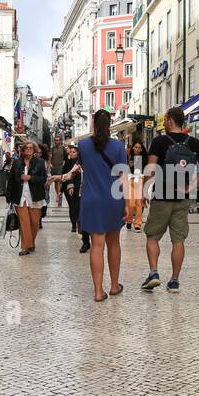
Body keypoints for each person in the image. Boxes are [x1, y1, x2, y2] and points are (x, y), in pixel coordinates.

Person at [141, 106, 199, 294]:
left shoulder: (159, 141)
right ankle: (174, 281)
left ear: (170, 121)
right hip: (183, 197)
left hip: (162, 195)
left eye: (165, 120)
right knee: (178, 240)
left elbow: (151, 168)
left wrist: (144, 191)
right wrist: (191, 187)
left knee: (152, 236)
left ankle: (154, 274)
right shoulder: (193, 142)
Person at [76, 108, 126, 301]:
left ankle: (98, 291)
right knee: (113, 243)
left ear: (93, 124)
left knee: (97, 245)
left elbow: (82, 167)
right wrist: (128, 203)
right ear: (110, 125)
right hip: (113, 199)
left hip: (91, 199)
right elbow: (123, 177)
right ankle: (114, 285)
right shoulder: (119, 147)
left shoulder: (82, 145)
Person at [5, 141, 48, 255]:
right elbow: (11, 180)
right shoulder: (17, 163)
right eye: (26, 148)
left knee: (34, 223)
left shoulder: (40, 162)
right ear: (23, 150)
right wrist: (8, 196)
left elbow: (43, 179)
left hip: (35, 197)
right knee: (24, 222)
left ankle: (31, 243)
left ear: (34, 150)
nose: (28, 149)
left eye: (30, 148)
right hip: (20, 197)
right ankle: (25, 247)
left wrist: (30, 177)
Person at [60, 143, 89, 251]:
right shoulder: (78, 165)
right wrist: (57, 178)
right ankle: (85, 241)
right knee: (81, 216)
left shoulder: (93, 163)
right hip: (81, 193)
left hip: (93, 194)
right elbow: (69, 174)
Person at [125, 139, 149, 232]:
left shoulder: (145, 159)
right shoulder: (128, 157)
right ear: (133, 148)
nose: (137, 149)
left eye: (139, 147)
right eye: (136, 147)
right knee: (131, 203)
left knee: (139, 203)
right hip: (130, 180)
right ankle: (129, 220)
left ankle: (138, 224)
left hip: (140, 180)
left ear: (142, 149)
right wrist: (129, 165)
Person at [51, 137, 66, 206]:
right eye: (55, 140)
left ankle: (58, 196)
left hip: (60, 167)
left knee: (59, 182)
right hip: (54, 167)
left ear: (60, 141)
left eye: (57, 140)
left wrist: (64, 163)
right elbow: (50, 156)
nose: (56, 142)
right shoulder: (53, 148)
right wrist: (50, 164)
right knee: (55, 182)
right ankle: (58, 194)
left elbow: (66, 157)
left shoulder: (63, 148)